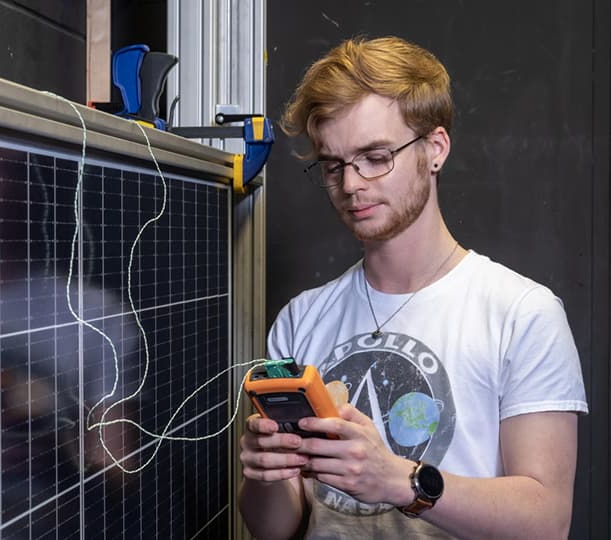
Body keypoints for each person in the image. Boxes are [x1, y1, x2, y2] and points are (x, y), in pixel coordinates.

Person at [238, 36, 588, 539]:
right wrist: (266, 472)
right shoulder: (301, 318)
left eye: (375, 156)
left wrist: (400, 482)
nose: (352, 184)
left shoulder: (522, 313)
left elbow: (547, 523)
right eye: (333, 165)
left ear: (435, 148)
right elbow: (275, 530)